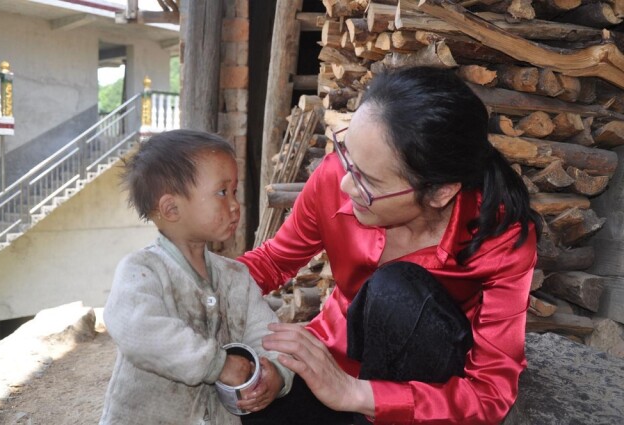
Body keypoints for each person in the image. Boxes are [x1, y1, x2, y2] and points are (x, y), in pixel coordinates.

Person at [238, 66, 542, 424]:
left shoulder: (502, 238)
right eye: (347, 157)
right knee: (247, 406)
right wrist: (195, 282)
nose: (347, 185)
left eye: (369, 182)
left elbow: (489, 393)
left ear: (441, 193)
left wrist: (354, 394)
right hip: (335, 362)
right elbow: (273, 261)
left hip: (419, 392)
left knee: (396, 290)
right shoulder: (338, 177)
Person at [99, 130, 293, 425]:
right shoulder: (142, 271)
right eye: (222, 192)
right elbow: (138, 330)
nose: (235, 204)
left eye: (235, 191)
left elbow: (267, 335)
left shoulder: (236, 277)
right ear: (171, 208)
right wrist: (217, 365)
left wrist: (276, 373)